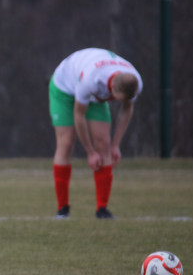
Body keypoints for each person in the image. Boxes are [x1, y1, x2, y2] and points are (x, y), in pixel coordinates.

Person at [49, 48, 141, 219]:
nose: (115, 102)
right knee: (66, 143)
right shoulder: (91, 80)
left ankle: (102, 209)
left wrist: (115, 145)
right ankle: (62, 209)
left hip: (95, 95)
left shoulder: (134, 81)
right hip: (64, 87)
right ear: (112, 88)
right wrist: (90, 152)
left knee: (104, 145)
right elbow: (79, 115)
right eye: (115, 99)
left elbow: (127, 109)